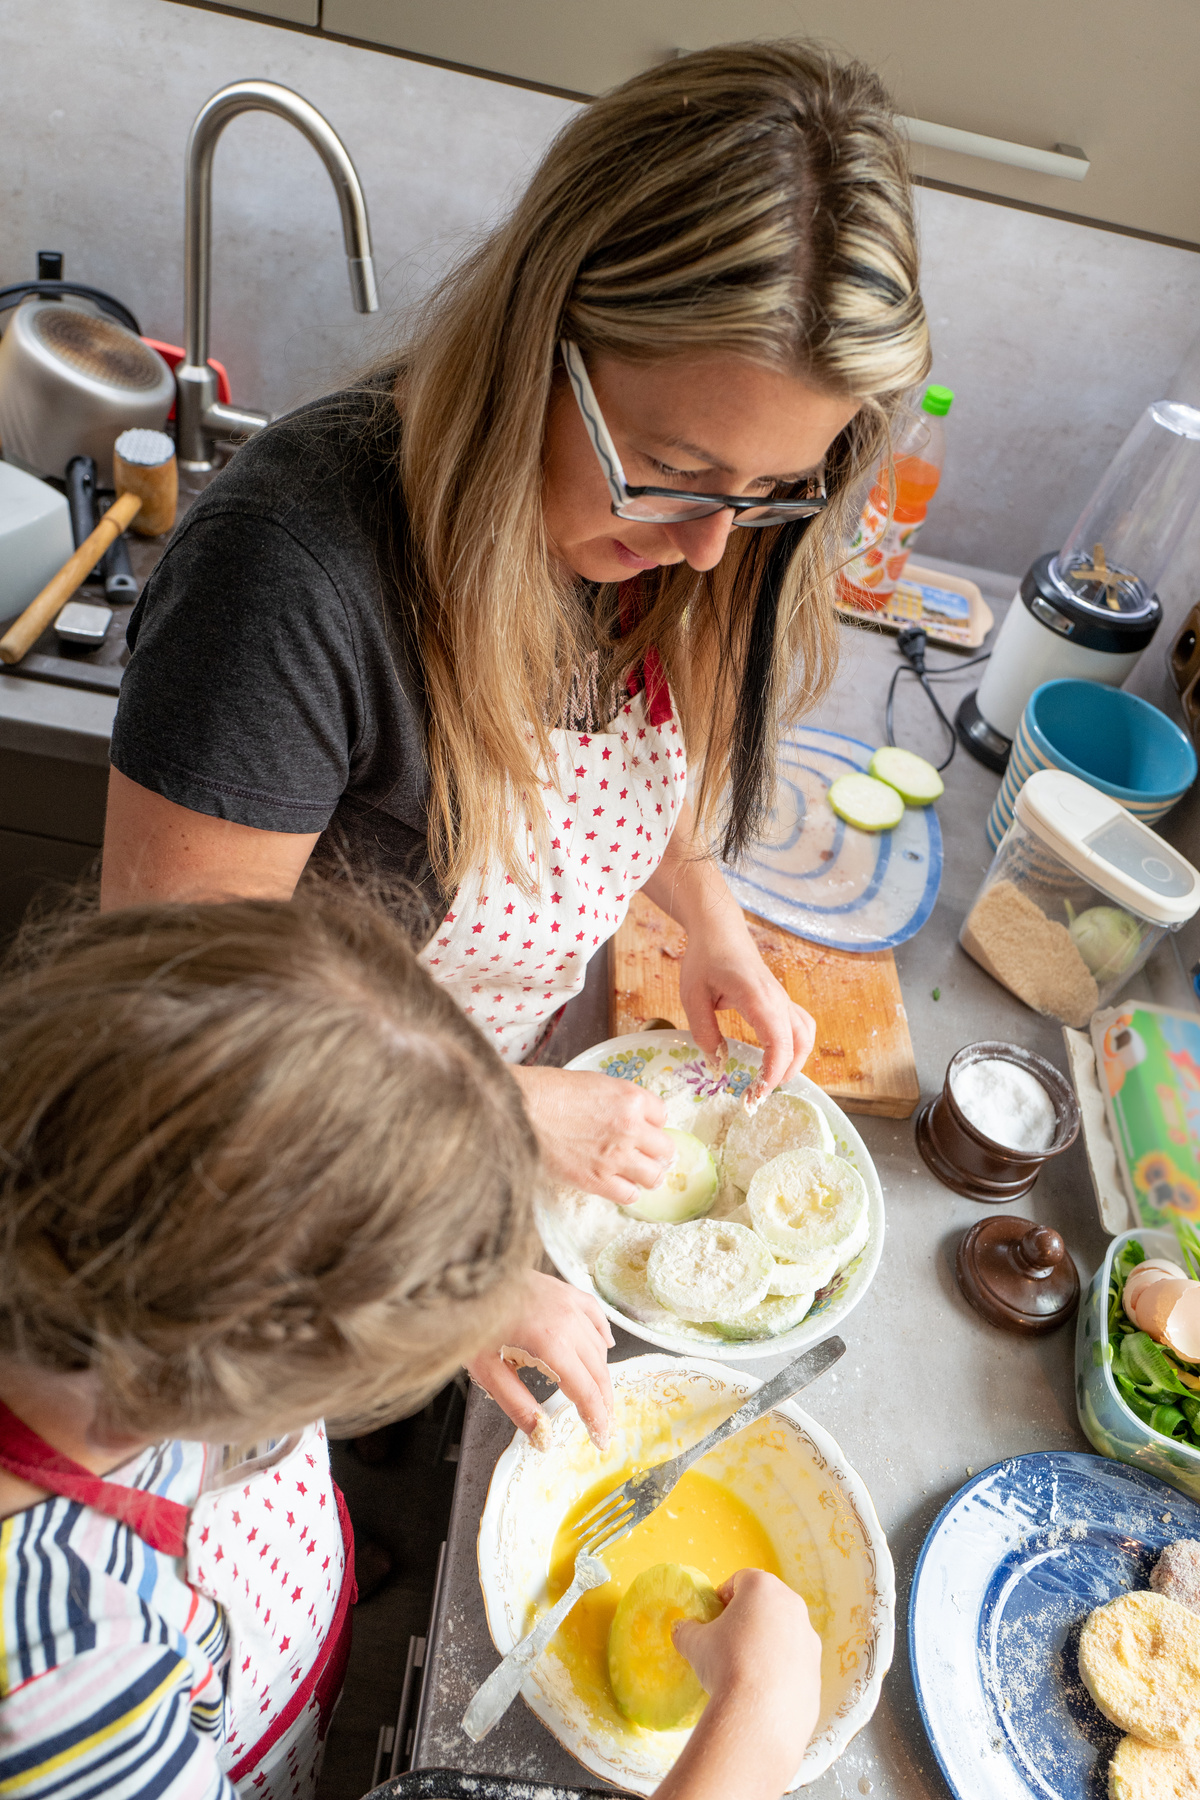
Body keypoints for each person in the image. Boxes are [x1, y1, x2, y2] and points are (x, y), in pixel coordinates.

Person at [100, 40, 930, 1210]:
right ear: (536, 342)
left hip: (456, 1147)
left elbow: (641, 764)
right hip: (260, 1178)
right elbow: (173, 1022)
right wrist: (503, 1117)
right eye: (673, 469)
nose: (708, 545)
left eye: (769, 494)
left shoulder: (637, 536)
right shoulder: (285, 580)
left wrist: (710, 920)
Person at [0, 889, 820, 1800]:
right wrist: (761, 1712)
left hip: (256, 1623)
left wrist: (444, 1293)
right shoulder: (65, 1685)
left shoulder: (107, 1266)